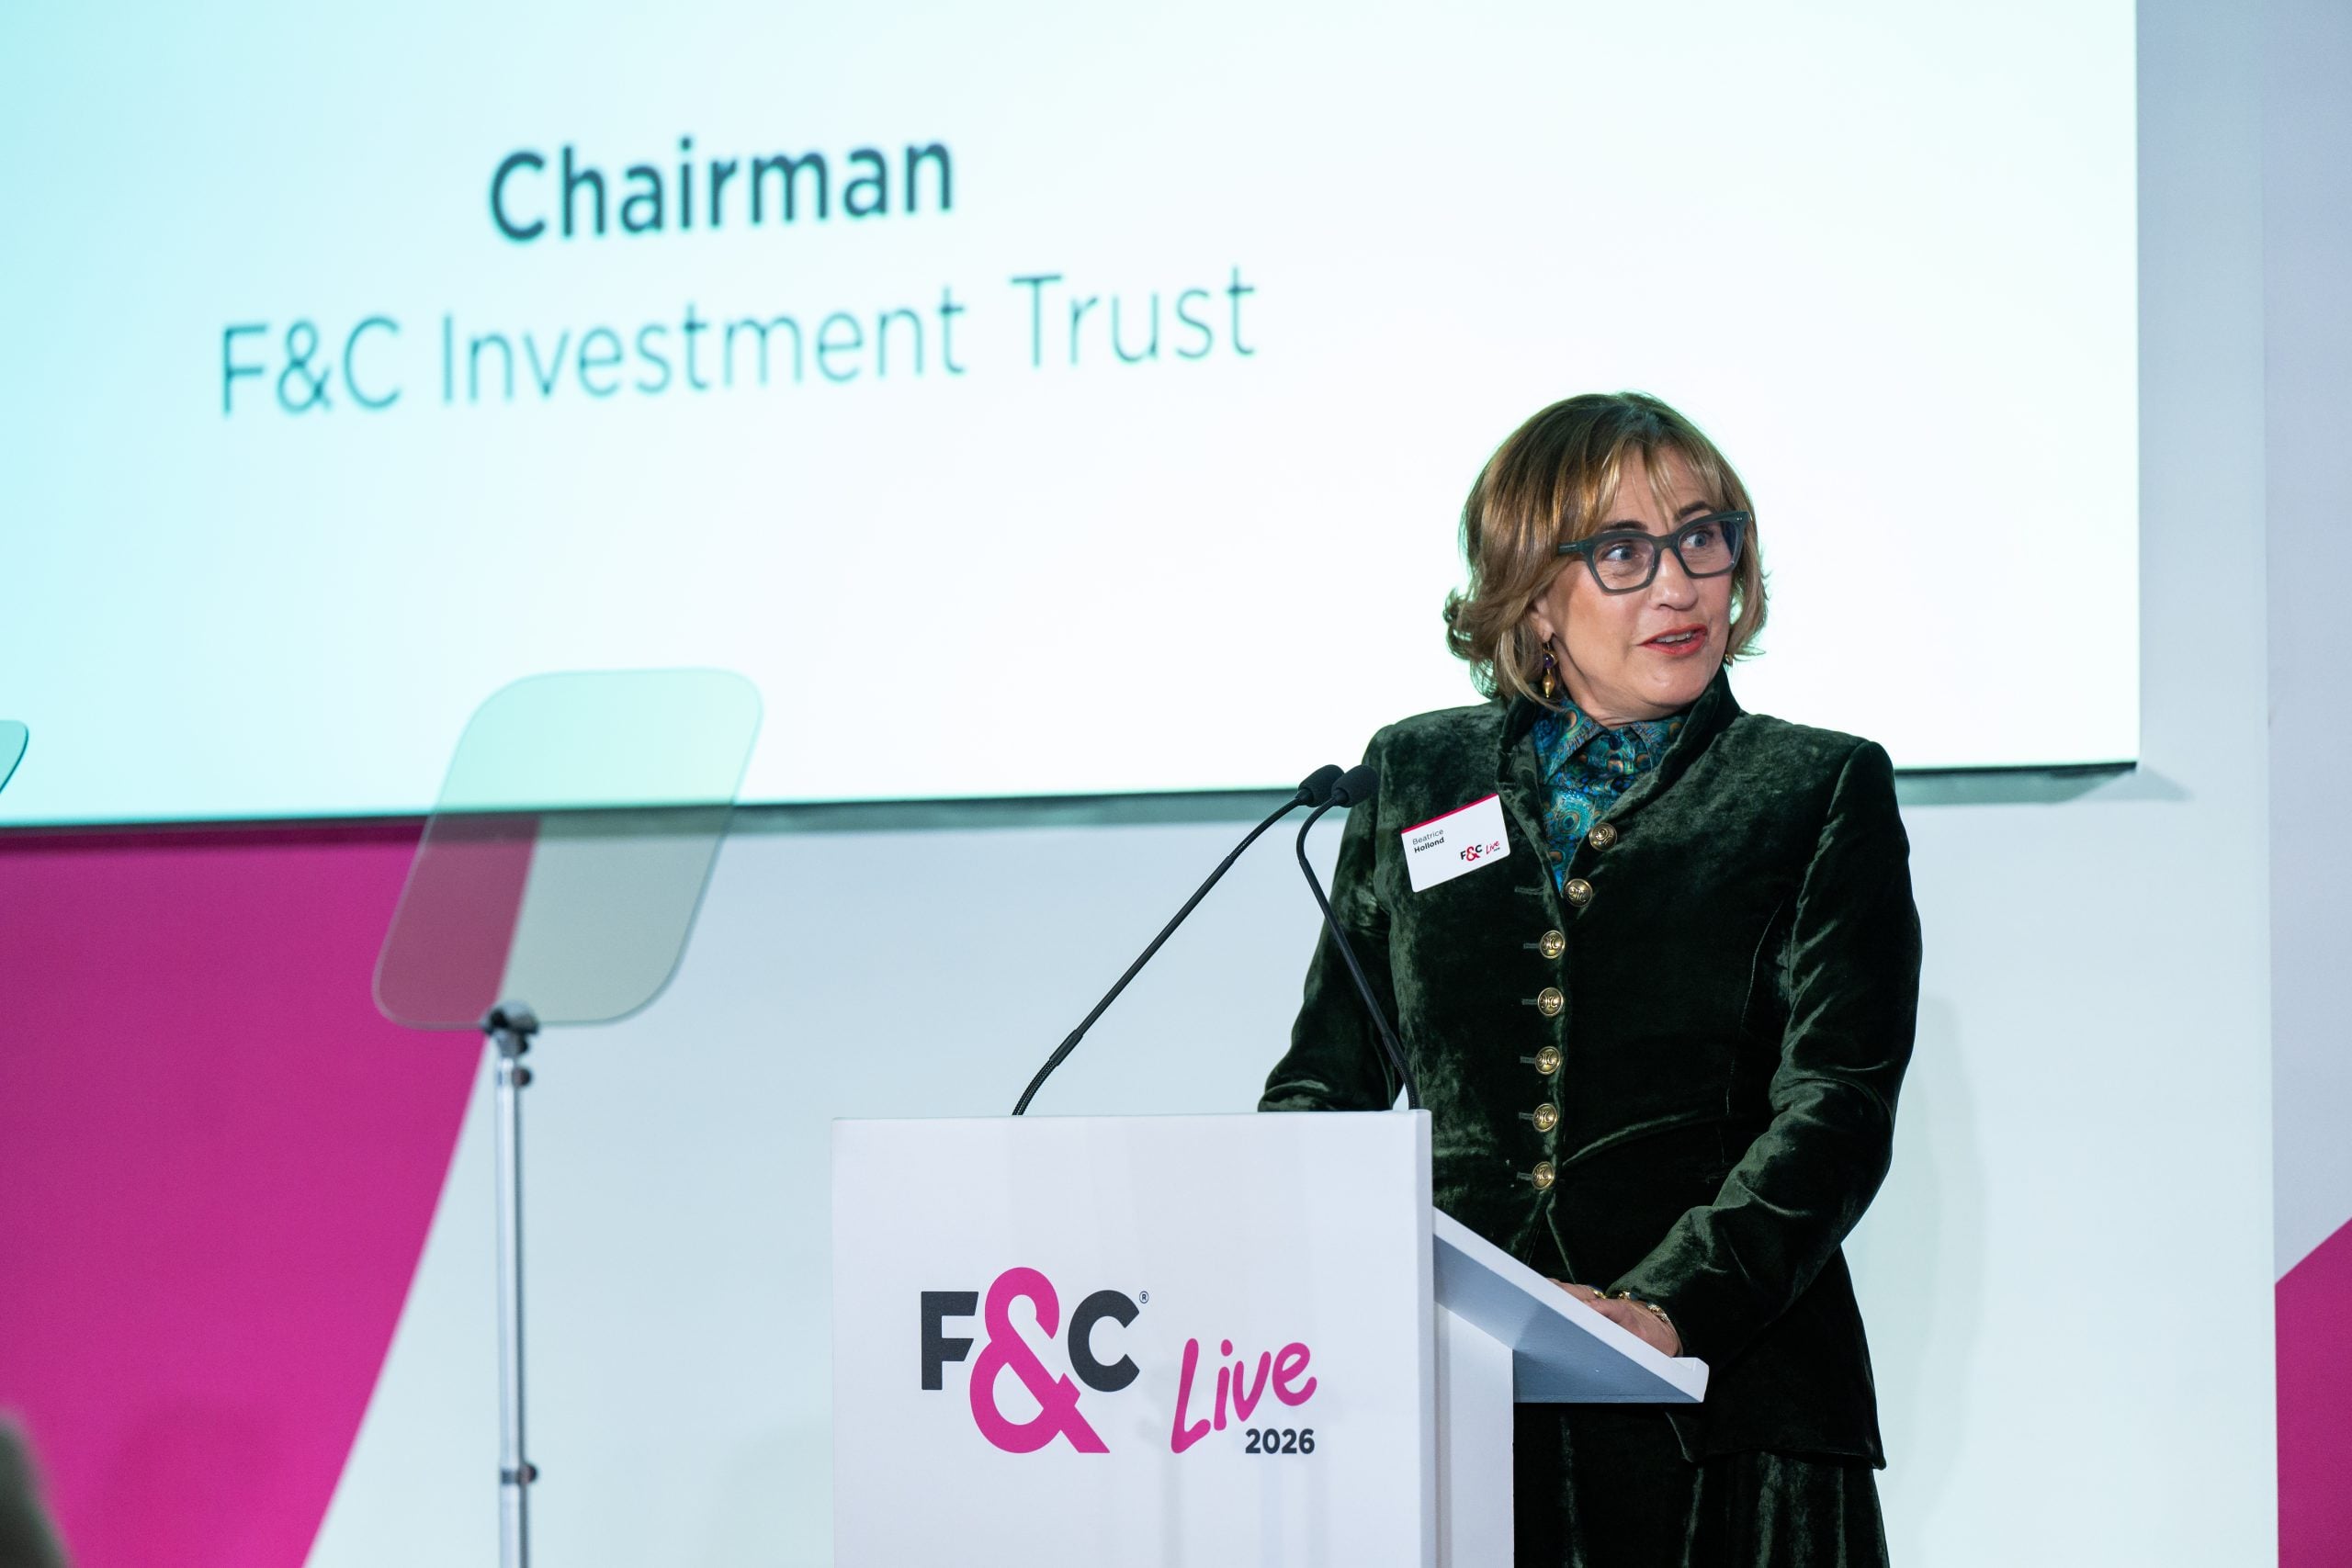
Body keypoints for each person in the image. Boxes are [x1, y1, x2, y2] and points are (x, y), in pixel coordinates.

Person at [1260, 391, 1920, 1565]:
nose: (1679, 587)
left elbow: (1837, 1104)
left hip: (1724, 1404)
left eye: (1702, 538)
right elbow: (1325, 1087)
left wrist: (1668, 1305)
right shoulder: (1417, 774)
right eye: (1622, 552)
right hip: (1458, 1397)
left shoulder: (1815, 789)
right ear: (1530, 592)